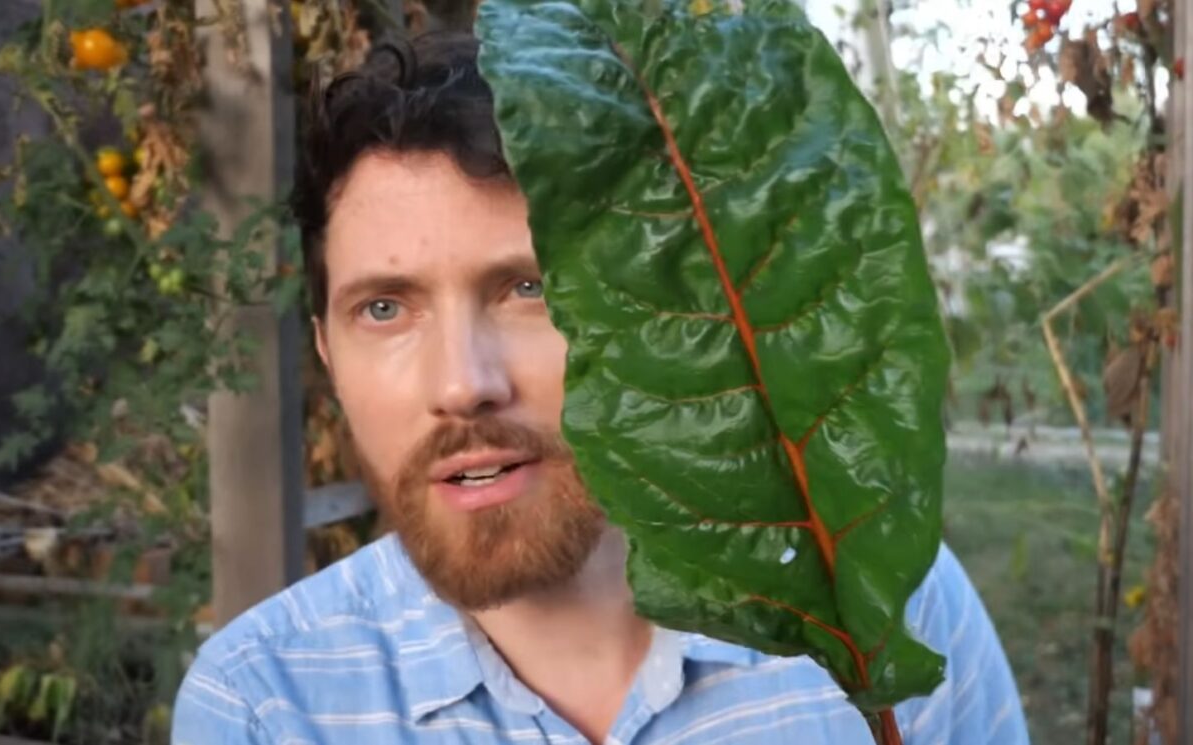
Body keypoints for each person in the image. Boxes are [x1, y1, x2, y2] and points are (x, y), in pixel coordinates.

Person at [171, 31, 1029, 745]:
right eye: (385, 307)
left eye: (529, 288)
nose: (464, 384)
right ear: (327, 350)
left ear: (647, 318)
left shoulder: (886, 604)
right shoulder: (263, 704)